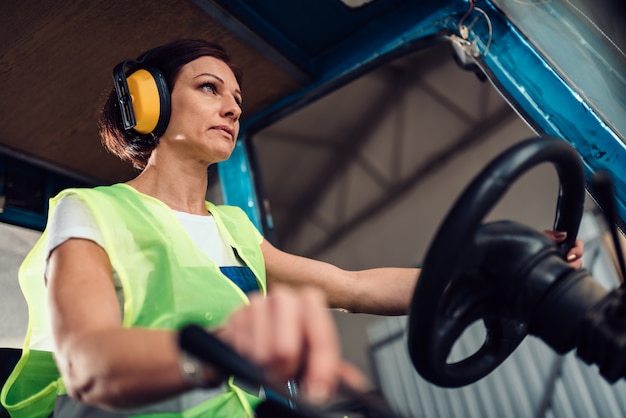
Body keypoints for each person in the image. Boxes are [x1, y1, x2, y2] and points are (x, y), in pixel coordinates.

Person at [0, 39, 584, 418]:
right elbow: (88, 366)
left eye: (236, 97)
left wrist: (494, 279)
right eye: (209, 88)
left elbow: (354, 289)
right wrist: (229, 352)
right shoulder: (89, 211)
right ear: (147, 103)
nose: (232, 107)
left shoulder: (233, 228)